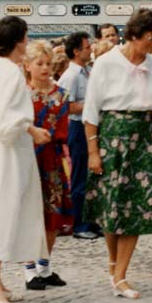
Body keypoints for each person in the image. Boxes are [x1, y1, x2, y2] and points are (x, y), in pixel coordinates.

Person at [83, 10, 152, 299]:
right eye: (148, 38)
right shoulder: (106, 63)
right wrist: (93, 152)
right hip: (113, 138)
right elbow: (91, 112)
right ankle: (112, 263)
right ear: (134, 35)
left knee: (137, 208)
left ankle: (120, 275)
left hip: (143, 140)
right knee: (112, 206)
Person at [0, 16, 50, 303]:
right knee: (0, 211)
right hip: (4, 152)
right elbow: (4, 118)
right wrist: (30, 128)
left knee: (4, 209)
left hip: (1, 149)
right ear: (20, 40)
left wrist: (28, 130)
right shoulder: (9, 73)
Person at [23, 41, 73, 290]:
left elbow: (62, 129)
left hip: (52, 158)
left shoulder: (61, 94)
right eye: (39, 63)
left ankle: (45, 265)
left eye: (47, 63)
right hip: (28, 158)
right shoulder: (21, 93)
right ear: (28, 65)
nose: (44, 68)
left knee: (52, 215)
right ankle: (29, 270)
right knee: (30, 214)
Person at [58, 31, 97, 240]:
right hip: (78, 127)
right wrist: (90, 105)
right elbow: (66, 105)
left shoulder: (89, 71)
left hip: (90, 125)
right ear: (76, 51)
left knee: (93, 176)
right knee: (80, 176)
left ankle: (91, 220)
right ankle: (79, 225)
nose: (90, 49)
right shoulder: (70, 76)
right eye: (86, 47)